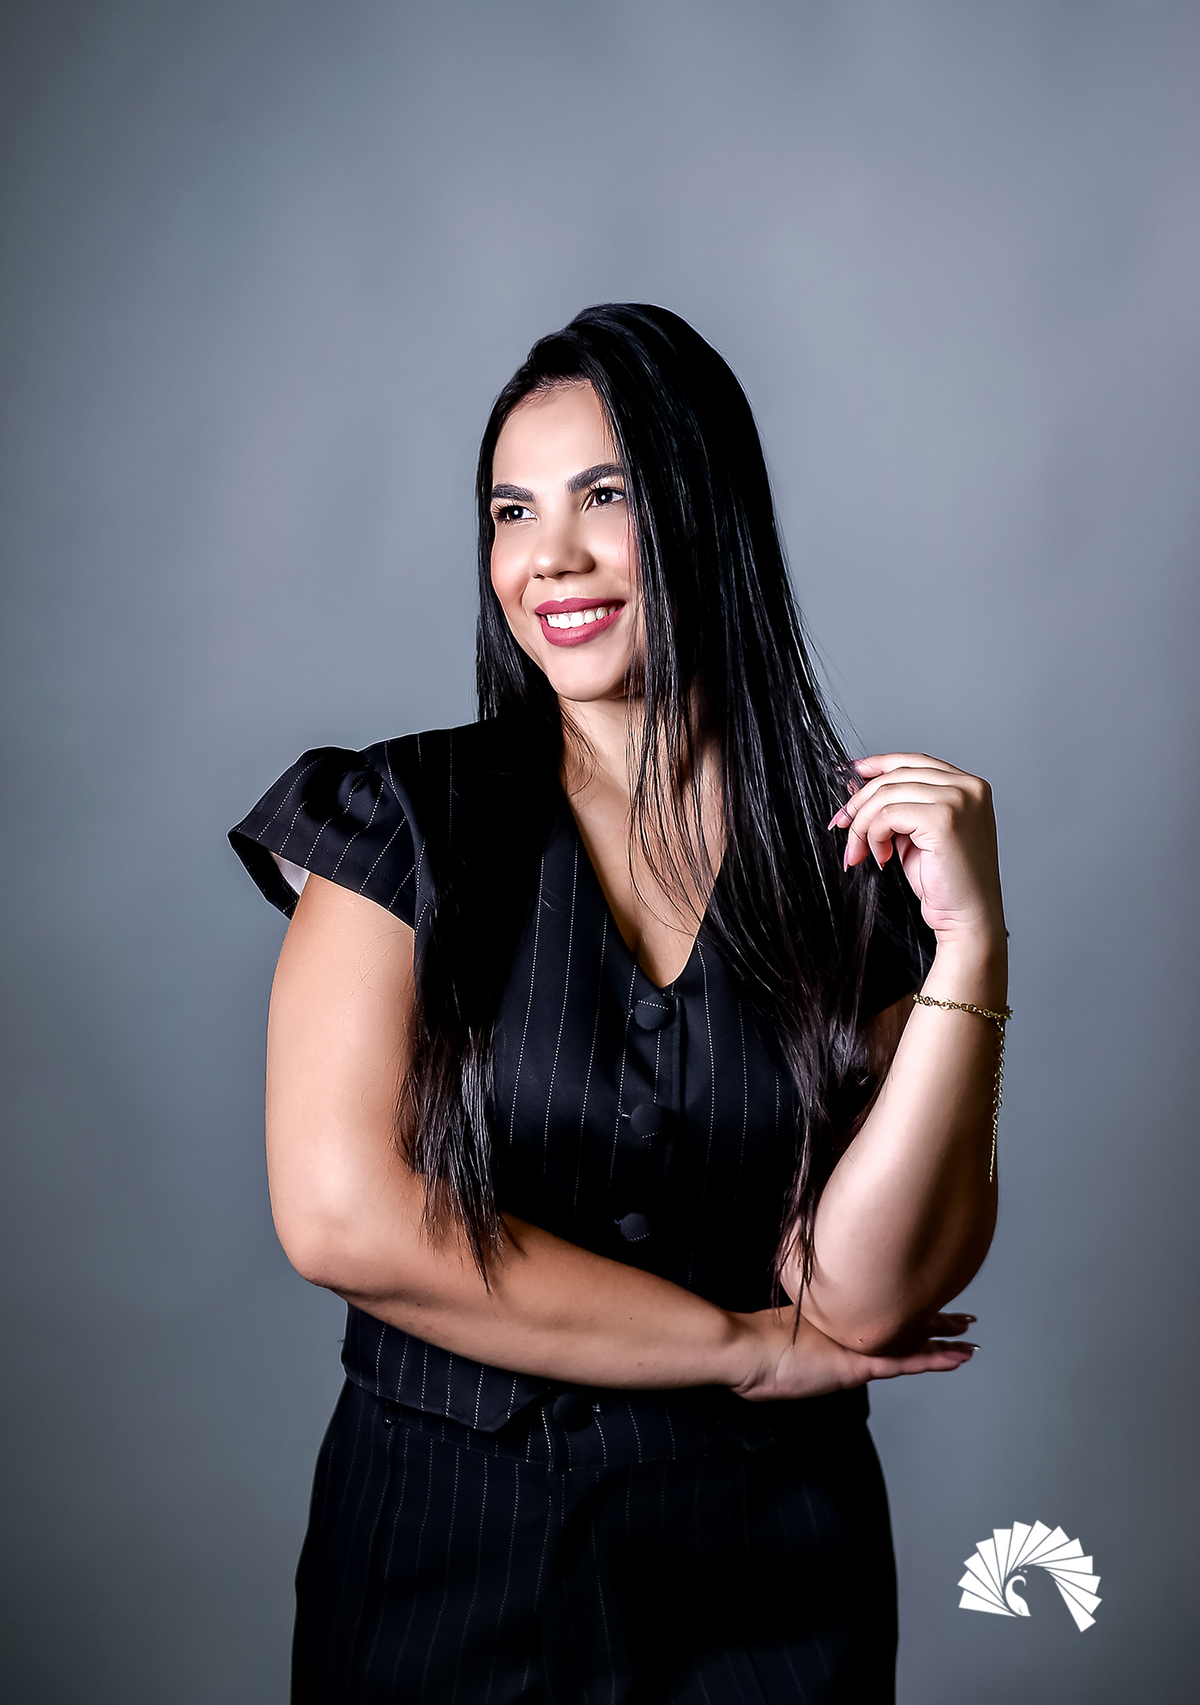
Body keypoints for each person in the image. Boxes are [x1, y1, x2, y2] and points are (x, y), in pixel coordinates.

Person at [230, 303, 1008, 1703]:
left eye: (605, 497)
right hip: (450, 1560)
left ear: (704, 514)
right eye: (512, 512)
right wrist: (738, 1349)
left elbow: (867, 1295)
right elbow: (338, 1213)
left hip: (773, 1568)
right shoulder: (402, 818)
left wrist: (971, 949)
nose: (551, 558)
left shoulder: (848, 866)